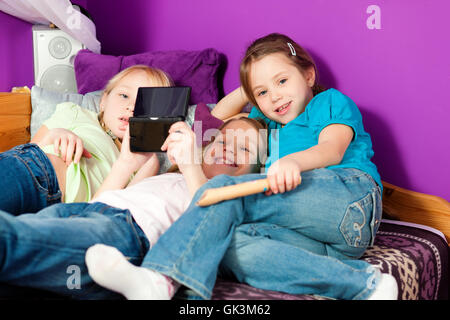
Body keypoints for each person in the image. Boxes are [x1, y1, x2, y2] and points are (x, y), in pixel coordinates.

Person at [86, 33, 398, 300]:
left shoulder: (327, 102)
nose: (274, 96)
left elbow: (332, 149)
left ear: (308, 75)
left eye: (282, 81)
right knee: (227, 245)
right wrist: (251, 90)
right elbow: (220, 115)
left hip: (350, 200)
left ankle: (160, 277)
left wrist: (294, 162)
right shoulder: (266, 122)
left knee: (223, 191)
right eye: (262, 92)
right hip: (334, 245)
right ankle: (366, 284)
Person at [0, 117, 267, 299]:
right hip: (84, 212)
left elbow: (209, 214)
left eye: (244, 147)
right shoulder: (168, 177)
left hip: (126, 233)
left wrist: (190, 165)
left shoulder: (231, 193)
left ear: (258, 169)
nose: (228, 149)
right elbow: (103, 200)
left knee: (15, 239)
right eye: (221, 142)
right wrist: (126, 163)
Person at [0, 65, 169, 215]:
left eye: (146, 102)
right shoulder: (77, 114)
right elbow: (31, 148)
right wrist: (54, 135)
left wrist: (130, 164)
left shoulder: (145, 160)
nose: (132, 107)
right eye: (124, 95)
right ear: (103, 101)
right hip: (37, 171)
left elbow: (105, 212)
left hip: (60, 216)